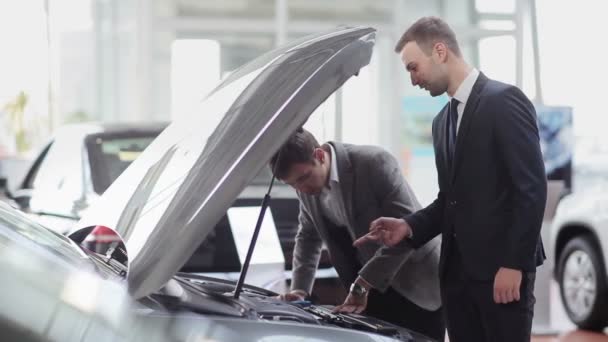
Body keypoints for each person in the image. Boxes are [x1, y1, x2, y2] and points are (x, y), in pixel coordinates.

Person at [355, 16, 547, 342]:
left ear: (440, 51)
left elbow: (530, 189)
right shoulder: (441, 122)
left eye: (414, 67)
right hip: (457, 282)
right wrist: (409, 227)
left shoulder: (503, 101)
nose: (413, 79)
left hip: (501, 275)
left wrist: (514, 264)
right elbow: (450, 201)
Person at [270, 128, 445, 341]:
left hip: (414, 280)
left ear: (319, 155)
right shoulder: (305, 186)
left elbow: (408, 232)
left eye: (304, 178)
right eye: (293, 184)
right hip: (368, 290)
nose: (301, 188)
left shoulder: (374, 162)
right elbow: (308, 237)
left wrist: (364, 282)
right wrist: (299, 290)